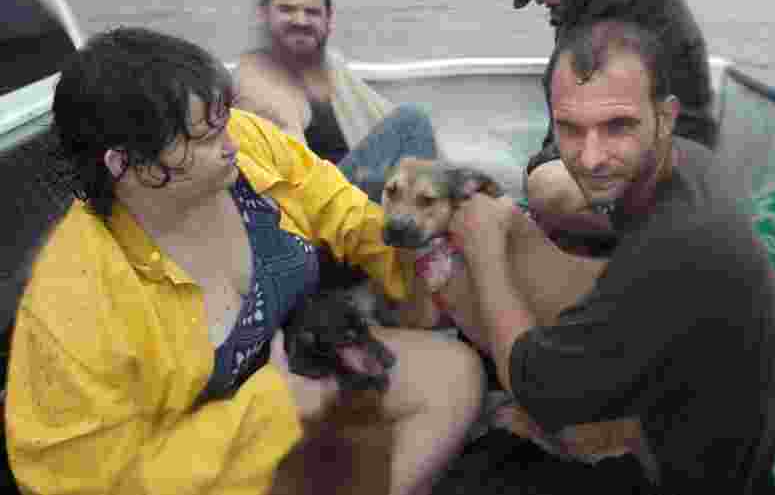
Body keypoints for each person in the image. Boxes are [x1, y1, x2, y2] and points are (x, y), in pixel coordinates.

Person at [4, 27, 484, 495]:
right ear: (125, 164)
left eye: (222, 120)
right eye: (206, 137)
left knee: (454, 375)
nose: (230, 142)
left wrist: (430, 266)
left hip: (301, 369)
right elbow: (89, 483)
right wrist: (273, 406)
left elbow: (345, 212)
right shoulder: (71, 304)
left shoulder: (243, 144)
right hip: (212, 457)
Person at [445, 17, 775, 493]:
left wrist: (485, 251)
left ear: (665, 118)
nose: (590, 159)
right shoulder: (692, 163)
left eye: (617, 127)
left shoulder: (672, 251)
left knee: (468, 474)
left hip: (675, 478)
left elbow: (534, 383)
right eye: (569, 129)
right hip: (717, 435)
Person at [509, 0, 718, 241]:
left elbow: (595, 108)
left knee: (545, 189)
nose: (537, 1)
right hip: (658, 141)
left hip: (675, 157)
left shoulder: (619, 5)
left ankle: (645, 243)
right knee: (545, 184)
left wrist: (540, 171)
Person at [234, 0, 438, 205]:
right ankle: (419, 227)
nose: (300, 20)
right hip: (321, 212)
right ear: (264, 14)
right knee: (411, 121)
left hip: (342, 187)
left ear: (328, 18)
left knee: (458, 189)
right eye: (287, 10)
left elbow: (378, 118)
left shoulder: (329, 66)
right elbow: (293, 186)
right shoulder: (258, 79)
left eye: (312, 12)